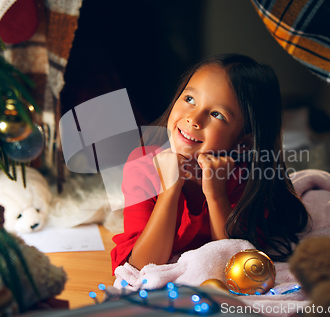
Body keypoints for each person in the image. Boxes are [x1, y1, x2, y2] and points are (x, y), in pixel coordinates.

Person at [111, 53, 309, 273]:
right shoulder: (144, 164)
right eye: (189, 100)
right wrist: (169, 190)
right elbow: (141, 265)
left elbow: (235, 265)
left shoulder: (249, 177)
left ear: (244, 142)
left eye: (216, 114)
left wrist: (216, 195)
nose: (193, 119)